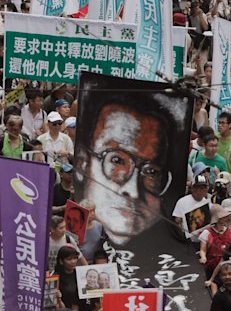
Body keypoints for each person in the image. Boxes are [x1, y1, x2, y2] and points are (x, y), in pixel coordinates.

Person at [74, 96, 173, 246]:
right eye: (117, 161)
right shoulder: (71, 228)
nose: (132, 192)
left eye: (151, 172)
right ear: (83, 163)